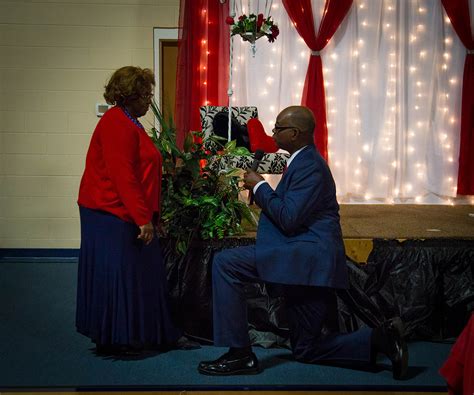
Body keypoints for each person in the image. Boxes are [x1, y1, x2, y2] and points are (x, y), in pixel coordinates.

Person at [198, 106, 408, 379]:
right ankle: (380, 339)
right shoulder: (302, 161)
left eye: (278, 129)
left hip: (305, 258)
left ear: (294, 133)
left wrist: (261, 186)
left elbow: (288, 218)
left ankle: (240, 354)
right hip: (307, 266)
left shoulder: (310, 165)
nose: (272, 133)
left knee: (226, 263)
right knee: (306, 349)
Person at [76, 66, 197, 356]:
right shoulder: (116, 122)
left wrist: (153, 216)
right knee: (121, 276)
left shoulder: (130, 121)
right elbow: (124, 177)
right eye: (144, 95)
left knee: (143, 272)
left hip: (124, 210)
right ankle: (120, 339)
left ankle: (146, 335)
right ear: (127, 96)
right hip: (109, 212)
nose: (148, 101)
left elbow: (140, 174)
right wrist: (143, 219)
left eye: (149, 94)